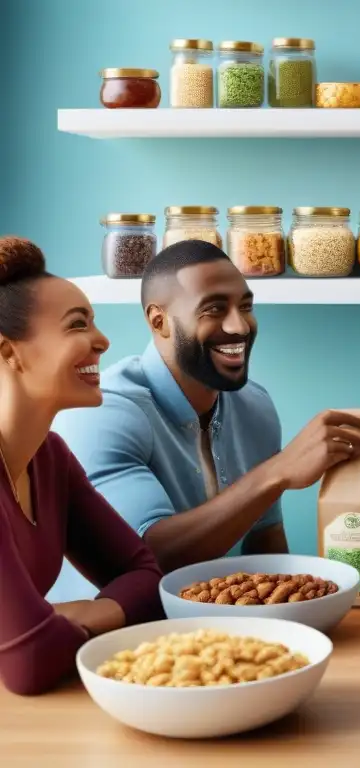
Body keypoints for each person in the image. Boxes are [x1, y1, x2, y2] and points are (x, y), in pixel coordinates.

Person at [49, 240, 360, 600]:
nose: (239, 326)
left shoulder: (256, 407)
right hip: (115, 641)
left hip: (218, 632)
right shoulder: (104, 412)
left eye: (246, 307)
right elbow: (144, 559)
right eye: (214, 309)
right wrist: (277, 472)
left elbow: (264, 544)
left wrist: (301, 610)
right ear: (160, 321)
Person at [0, 237, 163, 695]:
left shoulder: (49, 458)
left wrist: (81, 615)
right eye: (77, 325)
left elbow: (148, 580)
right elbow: (27, 665)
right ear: (10, 352)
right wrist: (39, 636)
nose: (102, 340)